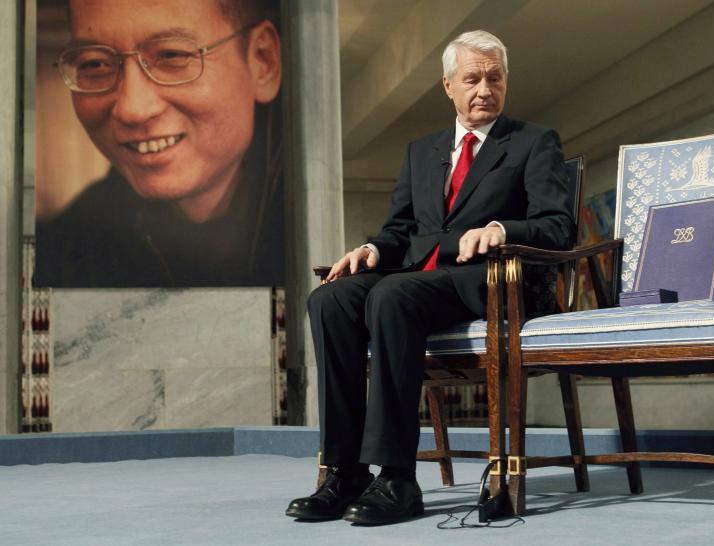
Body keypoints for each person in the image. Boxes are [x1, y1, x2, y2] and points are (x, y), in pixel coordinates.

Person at [286, 30, 575, 525]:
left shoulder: (532, 141)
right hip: (417, 277)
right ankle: (345, 470)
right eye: (472, 78)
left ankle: (397, 477)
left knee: (393, 296)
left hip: (487, 282)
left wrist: (501, 228)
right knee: (329, 301)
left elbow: (558, 225)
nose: (485, 89)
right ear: (448, 85)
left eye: (495, 77)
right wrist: (371, 249)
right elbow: (400, 229)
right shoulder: (422, 151)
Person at [35, 0, 283, 287]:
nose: (132, 109)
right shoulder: (63, 254)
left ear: (263, 61)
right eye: (95, 63)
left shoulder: (325, 219)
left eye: (171, 55)